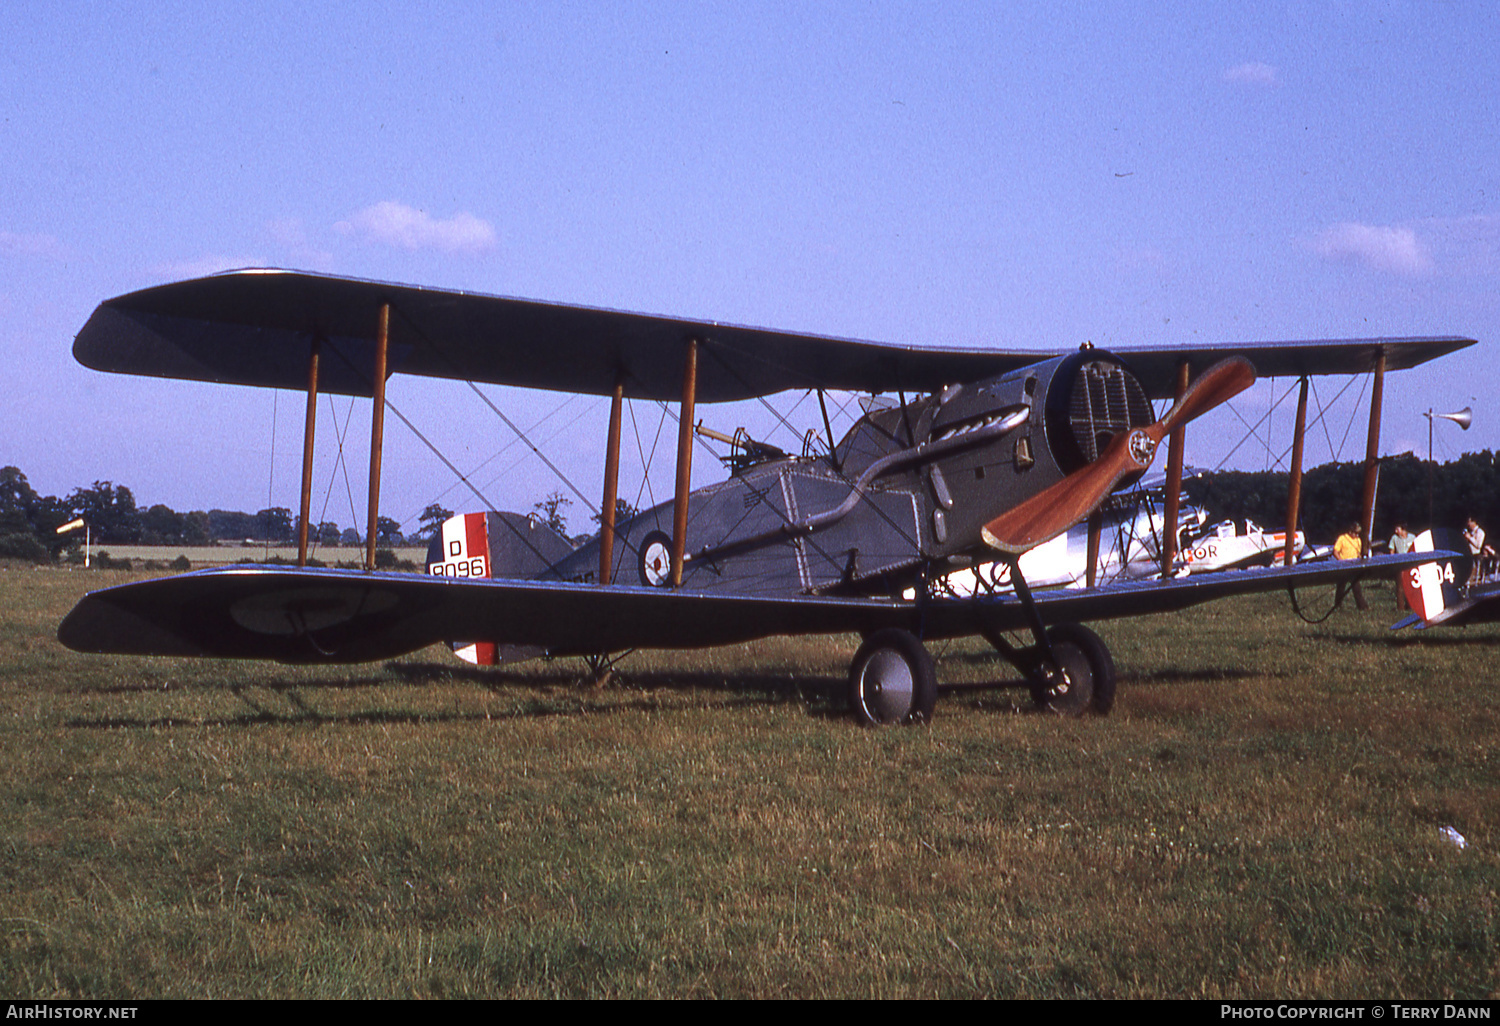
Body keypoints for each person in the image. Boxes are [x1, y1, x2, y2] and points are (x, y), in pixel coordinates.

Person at [1333, 521, 1368, 611]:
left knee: (1356, 587)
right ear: (1350, 531)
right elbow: (1335, 551)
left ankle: (1362, 606)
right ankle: (1338, 605)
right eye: (1355, 533)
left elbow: (1358, 553)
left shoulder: (1358, 540)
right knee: (1341, 587)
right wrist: (1341, 561)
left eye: (1358, 533)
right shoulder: (1342, 538)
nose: (1357, 535)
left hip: (1354, 566)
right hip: (1344, 565)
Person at [1389, 522, 1412, 610]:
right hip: (1400, 564)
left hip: (1410, 564)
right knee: (1400, 587)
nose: (1395, 531)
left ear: (1403, 529)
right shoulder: (1394, 538)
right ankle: (1400, 607)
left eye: (1397, 529)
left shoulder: (1412, 537)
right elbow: (1392, 550)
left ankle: (1410, 606)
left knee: (1410, 586)